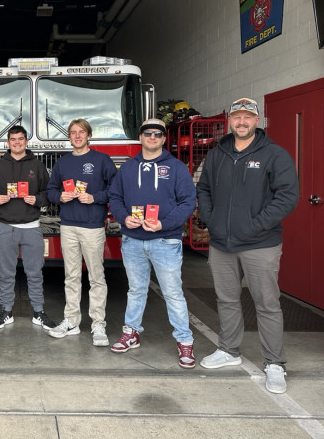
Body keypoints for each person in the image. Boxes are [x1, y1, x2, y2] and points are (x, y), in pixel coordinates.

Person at [197, 98, 299, 394]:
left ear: (257, 121)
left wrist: (256, 225)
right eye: (237, 117)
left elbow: (287, 196)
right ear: (230, 121)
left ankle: (275, 363)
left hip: (260, 243)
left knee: (266, 303)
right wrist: (212, 220)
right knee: (226, 300)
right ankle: (229, 350)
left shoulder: (274, 155)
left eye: (247, 117)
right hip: (222, 243)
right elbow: (203, 189)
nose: (241, 122)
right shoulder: (217, 155)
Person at [108, 118, 197, 368]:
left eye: (158, 134)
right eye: (148, 133)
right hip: (133, 240)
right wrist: (124, 218)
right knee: (136, 290)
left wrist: (163, 224)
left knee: (173, 293)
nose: (152, 137)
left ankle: (184, 340)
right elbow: (115, 197)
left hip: (166, 241)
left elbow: (188, 202)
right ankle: (131, 332)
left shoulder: (176, 167)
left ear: (164, 138)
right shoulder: (127, 168)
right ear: (140, 137)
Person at [46, 119, 116, 346]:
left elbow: (116, 189)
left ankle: (98, 323)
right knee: (71, 276)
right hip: (68, 226)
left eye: (81, 132)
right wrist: (60, 196)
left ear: (89, 135)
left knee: (96, 277)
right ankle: (71, 321)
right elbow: (50, 189)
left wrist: (95, 197)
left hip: (92, 226)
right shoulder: (62, 162)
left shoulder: (102, 160)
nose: (77, 136)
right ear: (69, 137)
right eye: (73, 133)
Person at [0, 125, 57, 331]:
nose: (17, 142)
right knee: (5, 272)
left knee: (35, 272)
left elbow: (49, 193)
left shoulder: (37, 165)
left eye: (20, 139)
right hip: (5, 227)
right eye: (13, 139)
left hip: (32, 227)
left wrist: (37, 200)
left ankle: (38, 312)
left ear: (26, 141)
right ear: (8, 142)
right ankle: (6, 311)